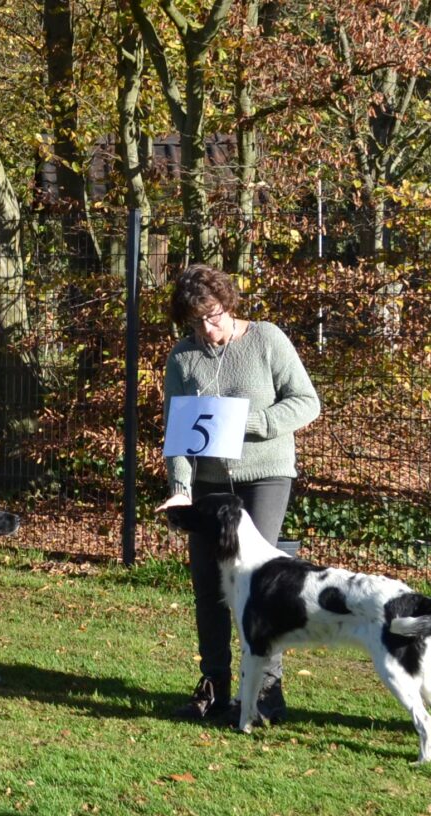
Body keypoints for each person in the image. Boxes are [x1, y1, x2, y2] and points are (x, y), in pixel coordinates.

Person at [154, 264, 321, 723]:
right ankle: (214, 686)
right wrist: (182, 490)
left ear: (229, 305)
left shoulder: (267, 339)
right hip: (208, 486)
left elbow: (307, 401)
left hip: (264, 475)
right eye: (197, 321)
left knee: (258, 586)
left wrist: (253, 422)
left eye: (215, 317)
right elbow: (178, 431)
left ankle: (267, 690)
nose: (208, 330)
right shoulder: (182, 357)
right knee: (209, 588)